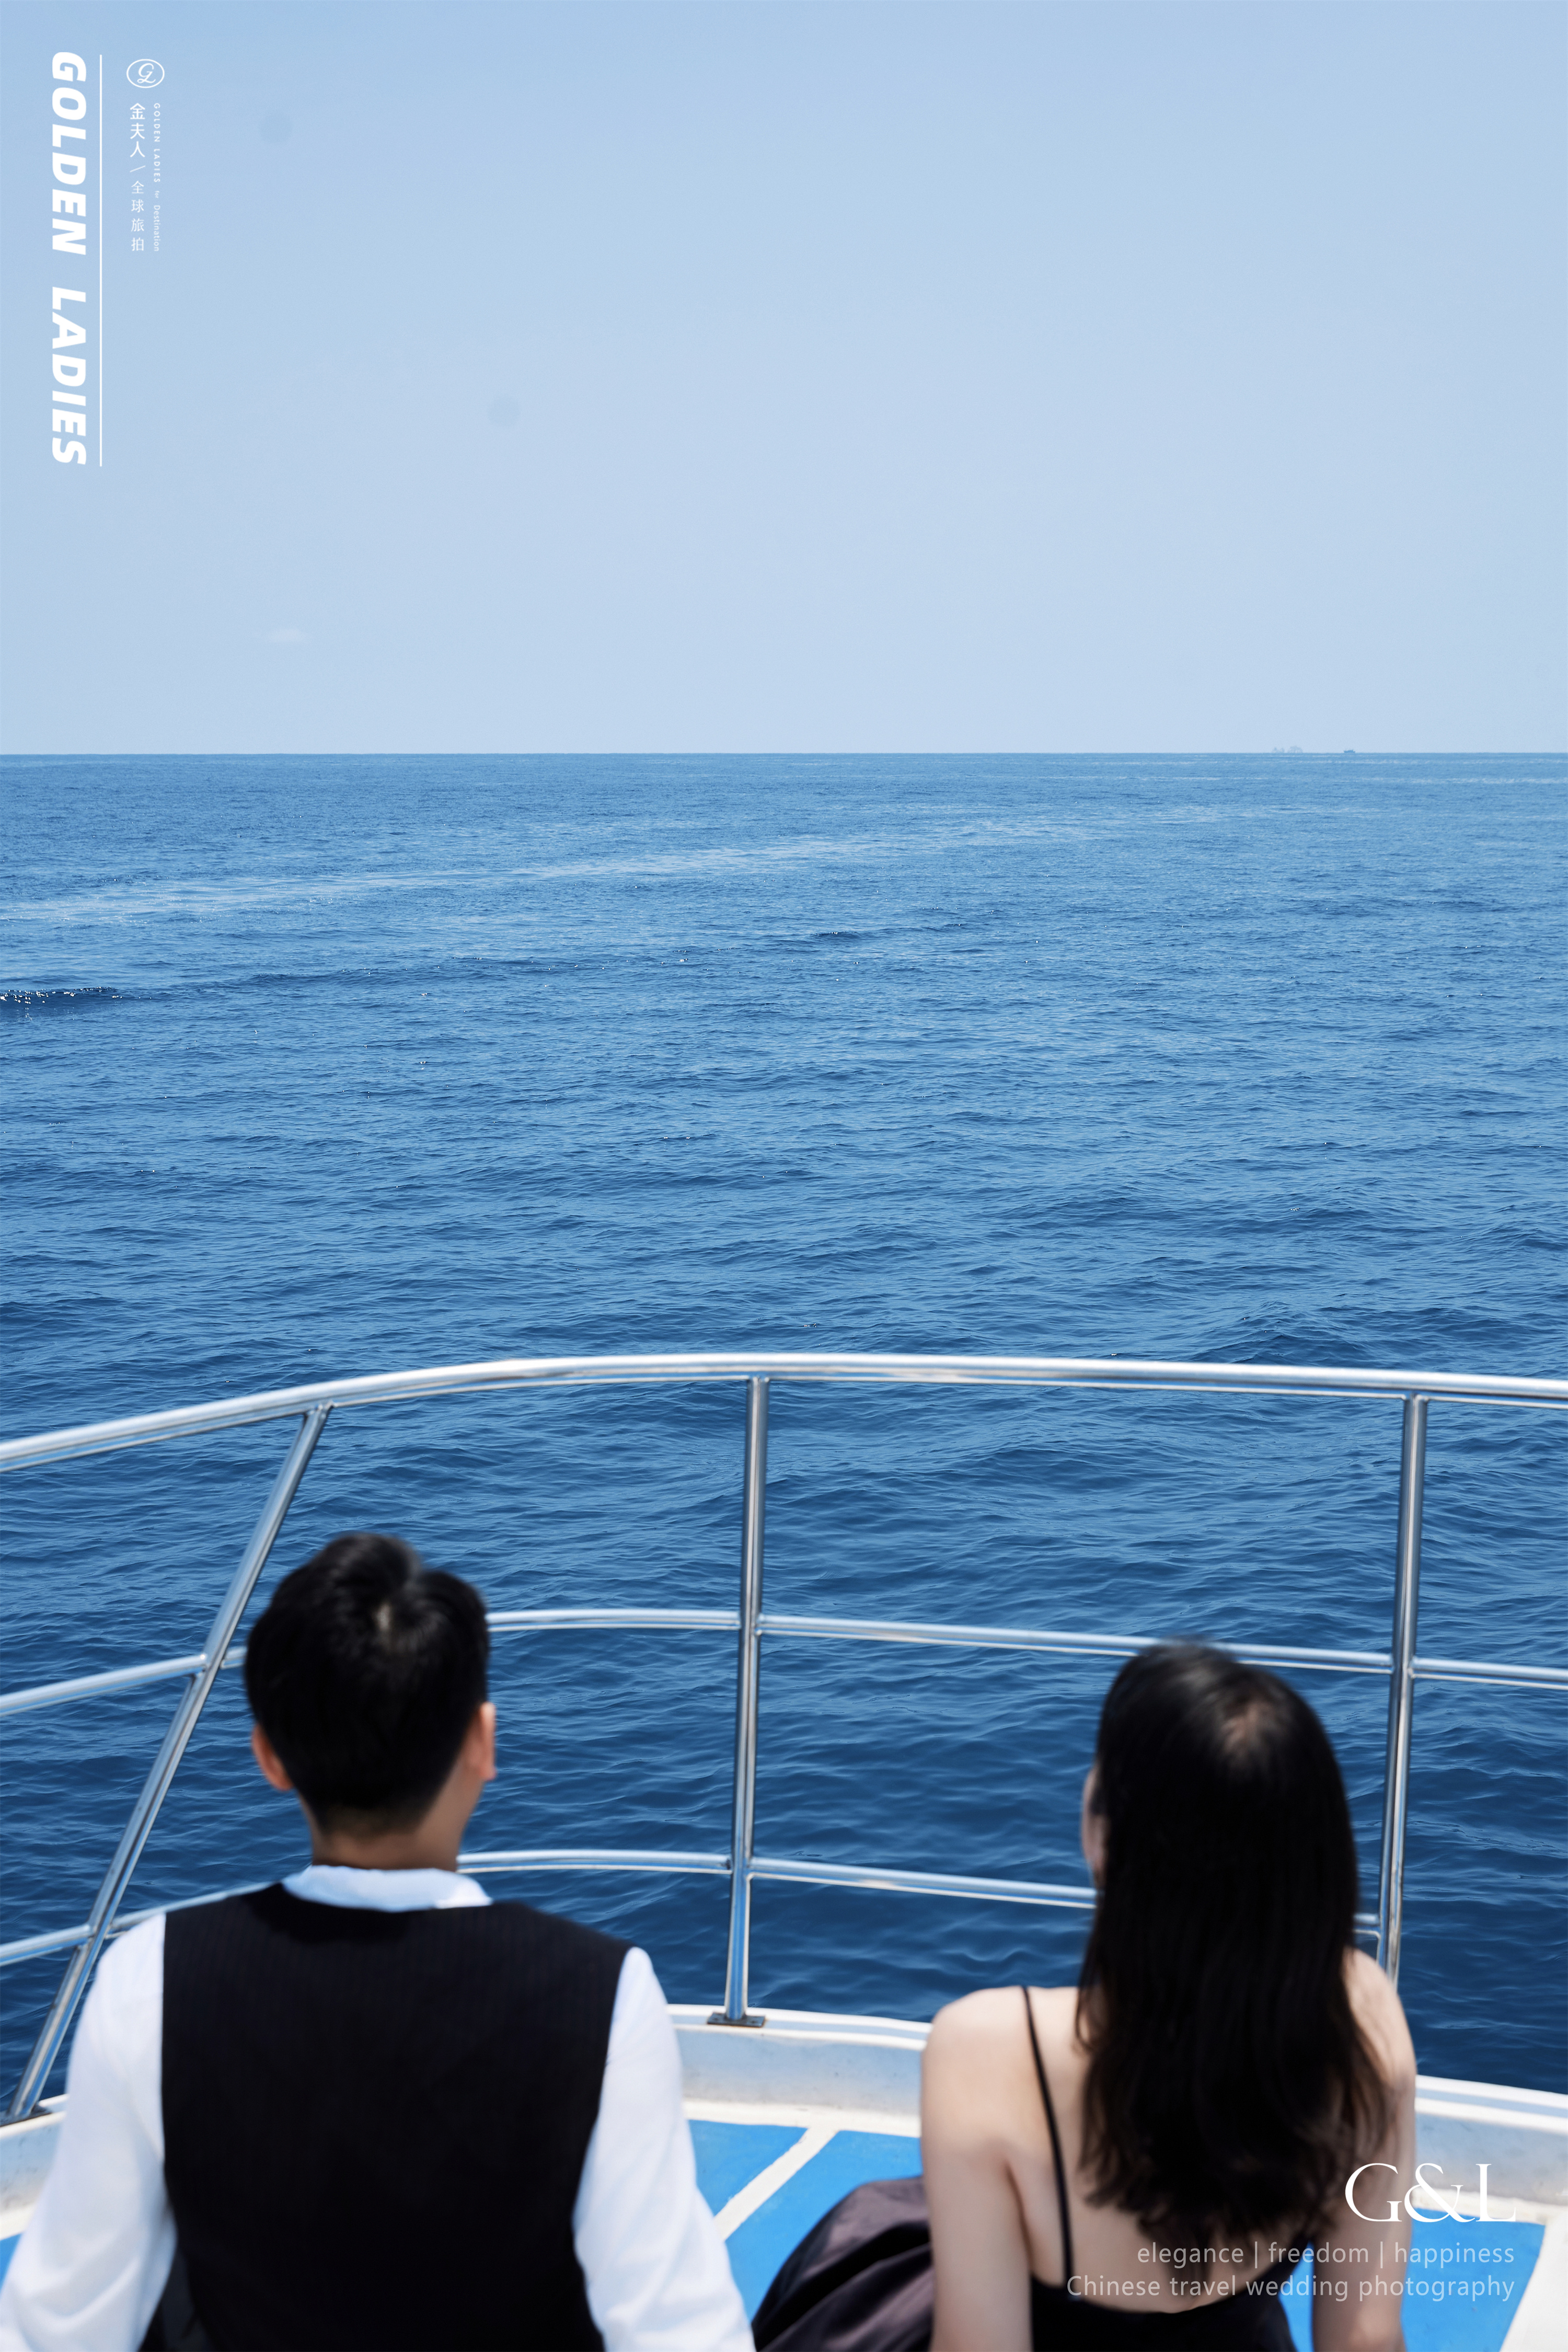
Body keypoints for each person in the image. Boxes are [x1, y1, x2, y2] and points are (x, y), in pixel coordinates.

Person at [0, 1532, 753, 2352]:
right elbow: (679, 2332)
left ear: (270, 1758)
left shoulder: (150, 1979)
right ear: (482, 1741)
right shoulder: (603, 1995)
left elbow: (59, 2329)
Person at [754, 1644, 1416, 2351]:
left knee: (865, 2239)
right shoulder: (1364, 2015)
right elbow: (1365, 2339)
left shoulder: (986, 2049)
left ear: (1104, 1841)